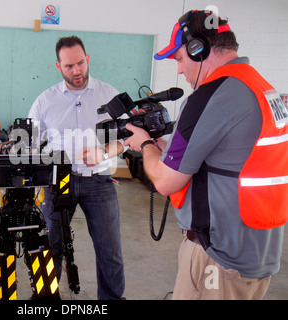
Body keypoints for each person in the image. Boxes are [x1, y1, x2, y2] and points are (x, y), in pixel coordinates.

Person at [124, 10, 287, 299]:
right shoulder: (263, 88)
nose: (178, 69)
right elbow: (227, 159)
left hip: (218, 258)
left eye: (179, 58)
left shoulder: (209, 96)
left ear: (198, 50)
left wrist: (145, 145)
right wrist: (163, 146)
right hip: (260, 252)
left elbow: (165, 182)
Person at [28, 36, 126, 300]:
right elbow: (28, 141)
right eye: (69, 66)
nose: (77, 71)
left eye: (80, 63)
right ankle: (45, 302)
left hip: (100, 182)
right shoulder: (44, 101)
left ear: (88, 59)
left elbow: (128, 138)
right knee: (51, 248)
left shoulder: (110, 95)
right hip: (57, 183)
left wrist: (103, 151)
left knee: (110, 251)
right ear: (58, 66)